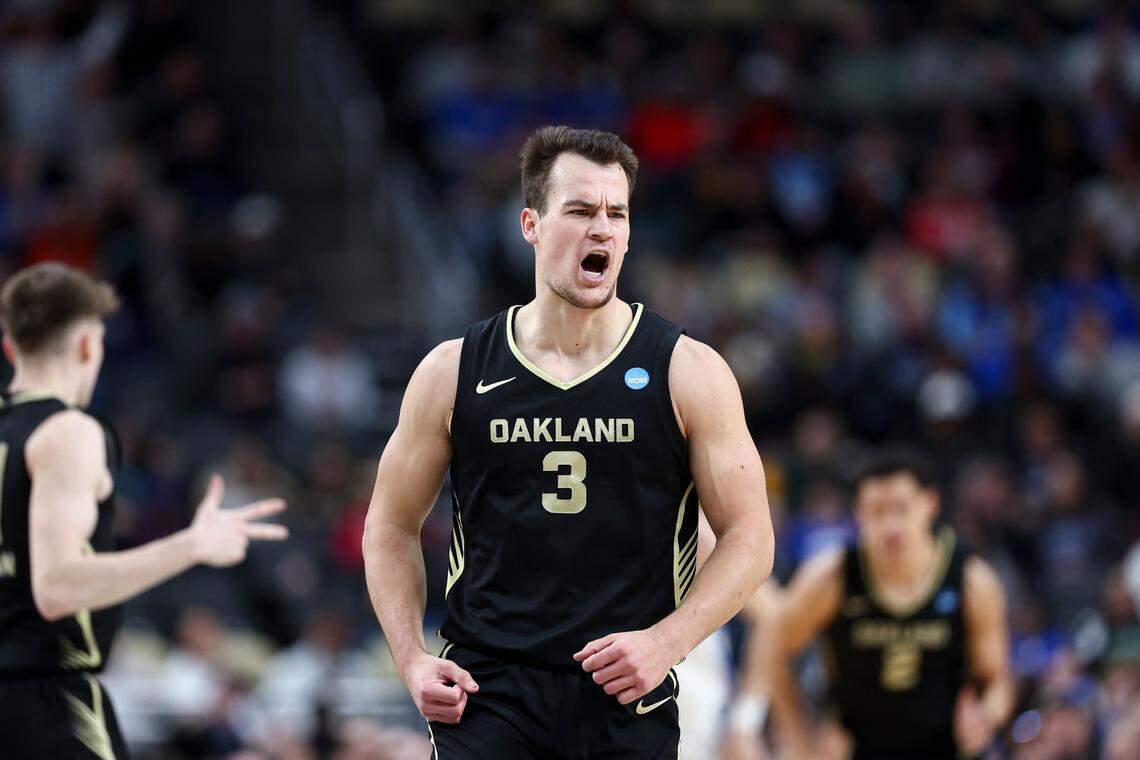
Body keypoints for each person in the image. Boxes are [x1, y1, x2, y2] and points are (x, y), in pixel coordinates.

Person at [363, 125, 774, 759]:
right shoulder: (455, 370)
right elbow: (389, 526)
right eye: (580, 211)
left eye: (617, 213)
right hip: (488, 691)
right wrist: (411, 658)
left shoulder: (686, 370)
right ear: (530, 224)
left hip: (624, 689)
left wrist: (668, 642)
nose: (602, 229)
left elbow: (751, 535)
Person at [0, 262, 289, 758]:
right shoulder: (69, 432)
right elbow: (58, 587)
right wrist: (191, 545)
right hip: (43, 702)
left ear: (10, 346)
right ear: (89, 343)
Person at [767, 449, 1014, 760]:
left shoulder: (972, 580)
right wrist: (801, 742)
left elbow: (999, 681)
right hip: (857, 748)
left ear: (930, 504)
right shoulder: (831, 576)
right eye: (877, 511)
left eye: (901, 509)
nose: (890, 525)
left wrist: (986, 716)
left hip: (948, 748)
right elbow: (772, 652)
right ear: (858, 513)